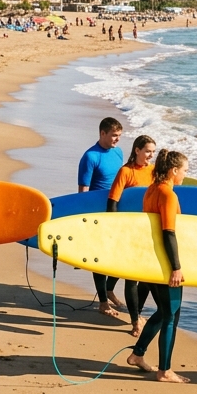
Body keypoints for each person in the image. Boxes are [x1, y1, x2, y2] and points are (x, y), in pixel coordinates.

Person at [125, 149, 190, 383]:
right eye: (184, 170)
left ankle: (137, 355)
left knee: (163, 312)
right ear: (174, 170)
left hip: (152, 261)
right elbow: (168, 232)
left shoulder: (151, 190)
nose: (184, 175)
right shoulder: (168, 194)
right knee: (171, 315)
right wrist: (176, 267)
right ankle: (165, 370)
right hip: (165, 264)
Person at [107, 134, 157, 337]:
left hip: (147, 229)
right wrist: (113, 228)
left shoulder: (154, 172)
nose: (150, 156)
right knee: (131, 277)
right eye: (147, 151)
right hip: (129, 229)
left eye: (153, 152)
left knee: (138, 274)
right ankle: (136, 321)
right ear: (137, 150)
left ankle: (111, 291)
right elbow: (113, 201)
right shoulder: (126, 172)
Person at [78, 117, 126, 320]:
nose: (117, 139)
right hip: (98, 213)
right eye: (114, 135)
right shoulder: (90, 157)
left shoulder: (118, 152)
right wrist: (85, 220)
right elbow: (83, 191)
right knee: (99, 258)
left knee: (122, 255)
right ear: (102, 133)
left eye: (119, 136)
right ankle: (103, 303)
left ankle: (108, 289)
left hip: (117, 210)